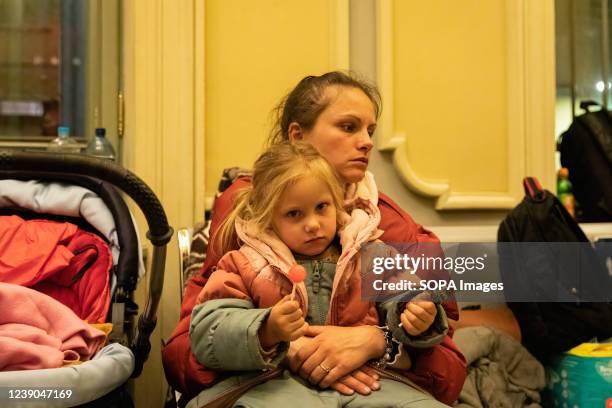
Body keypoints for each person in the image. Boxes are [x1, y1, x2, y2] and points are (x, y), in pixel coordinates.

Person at [162, 71, 467, 406]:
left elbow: (445, 364)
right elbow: (191, 347)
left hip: (373, 384)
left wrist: (379, 339)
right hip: (271, 384)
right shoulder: (244, 220)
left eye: (370, 131)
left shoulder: (386, 227)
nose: (366, 142)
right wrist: (278, 340)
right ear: (297, 136)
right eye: (349, 127)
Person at [189, 142, 449, 407]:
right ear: (267, 218)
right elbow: (208, 331)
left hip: (369, 383)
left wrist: (419, 312)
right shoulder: (243, 263)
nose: (313, 224)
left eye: (322, 207)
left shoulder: (373, 255)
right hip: (272, 384)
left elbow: (407, 294)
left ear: (337, 203)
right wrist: (267, 329)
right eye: (294, 214)